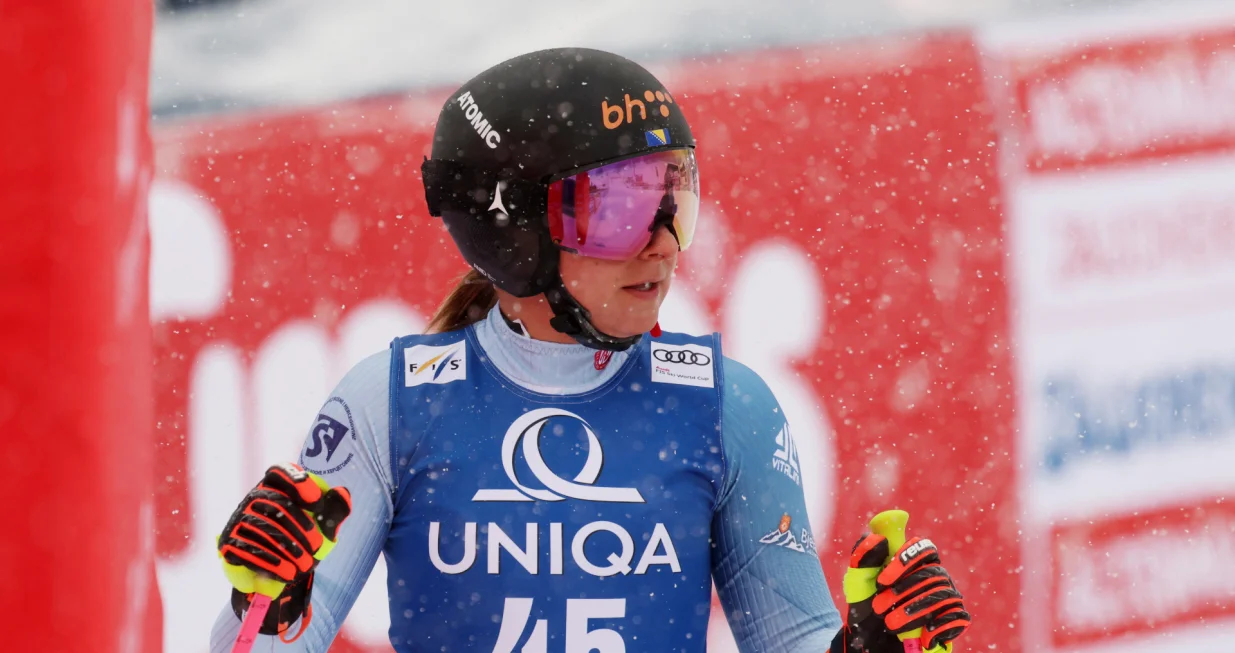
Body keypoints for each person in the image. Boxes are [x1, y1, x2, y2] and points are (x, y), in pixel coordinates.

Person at [209, 48, 971, 653]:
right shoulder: (392, 403)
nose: (662, 246)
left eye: (674, 202)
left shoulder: (727, 407)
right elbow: (272, 639)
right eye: (619, 212)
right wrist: (262, 603)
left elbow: (793, 636)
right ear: (514, 229)